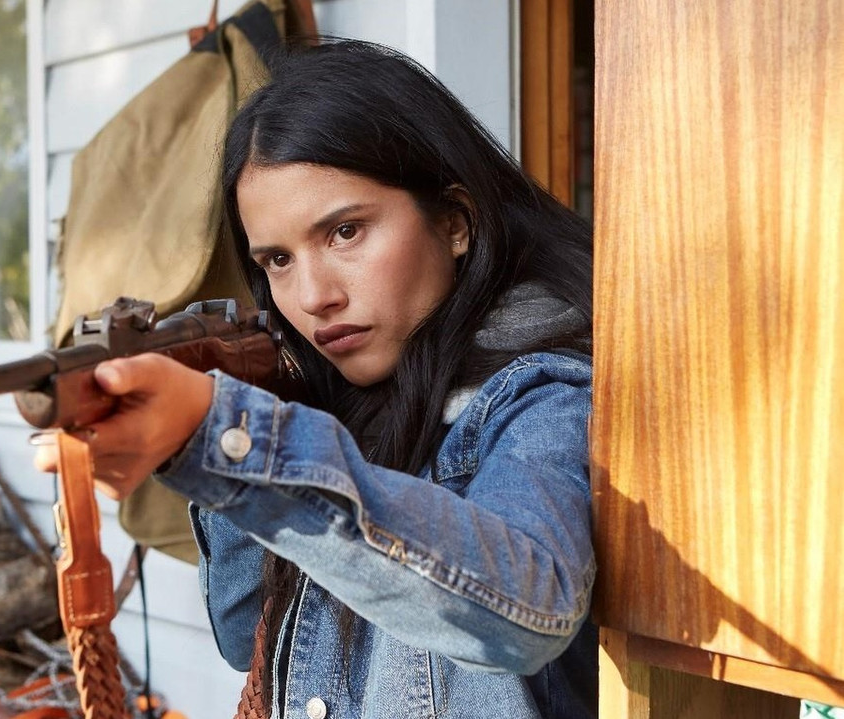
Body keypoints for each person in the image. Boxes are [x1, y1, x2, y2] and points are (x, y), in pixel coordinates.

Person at [35, 39, 596, 719]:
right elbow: (245, 632)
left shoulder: (544, 392)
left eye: (344, 232)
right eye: (276, 259)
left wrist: (230, 437)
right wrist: (243, 417)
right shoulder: (344, 398)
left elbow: (528, 611)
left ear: (455, 222)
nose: (312, 296)